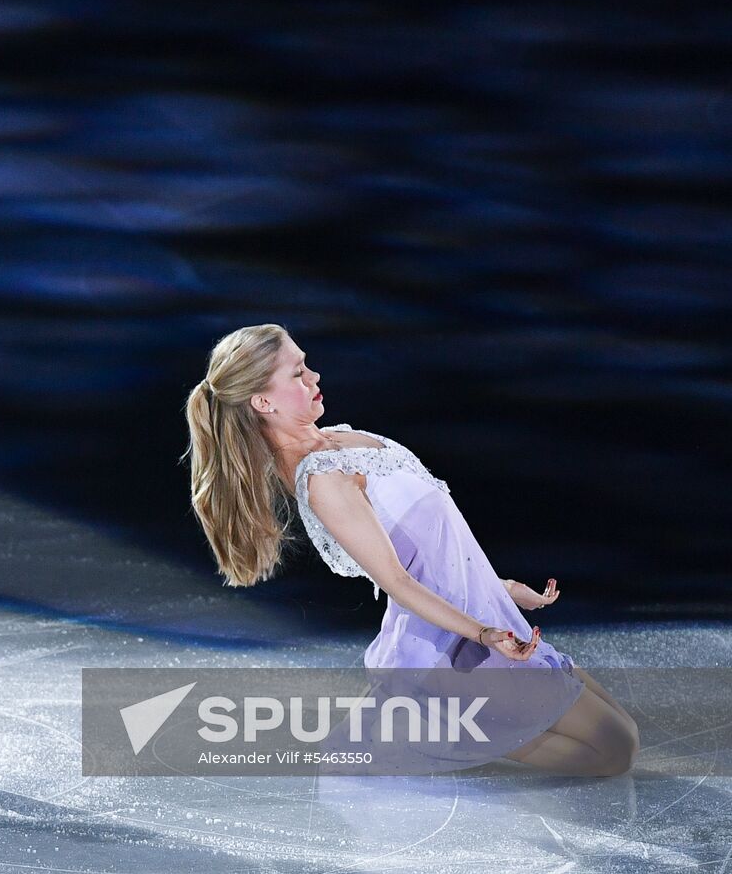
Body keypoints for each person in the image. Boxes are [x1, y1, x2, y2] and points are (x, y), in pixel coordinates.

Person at [183, 324, 637, 776]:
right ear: (264, 402)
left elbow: (431, 549)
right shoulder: (323, 479)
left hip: (480, 612)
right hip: (451, 647)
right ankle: (439, 726)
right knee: (615, 750)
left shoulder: (342, 440)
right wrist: (482, 633)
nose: (315, 377)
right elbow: (397, 581)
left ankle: (439, 720)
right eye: (298, 373)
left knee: (621, 733)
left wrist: (502, 587)